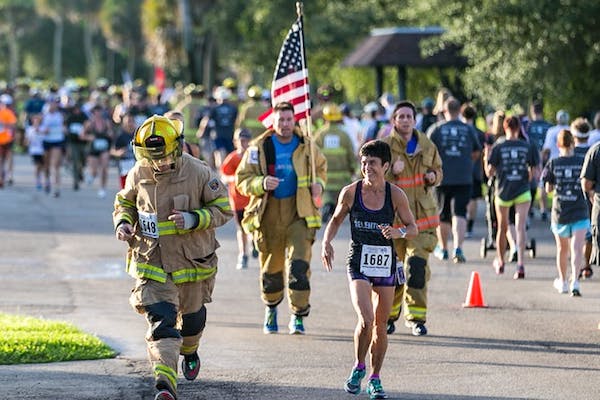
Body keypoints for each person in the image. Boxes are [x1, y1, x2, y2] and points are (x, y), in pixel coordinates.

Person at [113, 115, 232, 400]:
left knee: (192, 323)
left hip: (192, 264)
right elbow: (124, 202)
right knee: (161, 325)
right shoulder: (137, 173)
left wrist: (194, 219)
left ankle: (190, 351)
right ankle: (165, 385)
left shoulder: (199, 172)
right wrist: (123, 223)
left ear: (177, 148)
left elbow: (223, 209)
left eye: (164, 156)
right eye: (152, 157)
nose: (159, 162)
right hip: (152, 263)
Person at [321, 139, 417, 400]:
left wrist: (398, 231)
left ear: (385, 165)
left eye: (373, 163)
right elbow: (336, 219)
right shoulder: (351, 192)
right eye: (364, 163)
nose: (367, 168)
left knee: (381, 325)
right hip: (358, 260)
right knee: (366, 319)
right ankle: (358, 366)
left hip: (385, 261)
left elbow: (413, 228)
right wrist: (326, 242)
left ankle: (375, 378)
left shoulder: (395, 195)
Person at [235, 101, 327, 335]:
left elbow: (321, 168)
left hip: (299, 213)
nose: (285, 125)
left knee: (299, 266)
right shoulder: (259, 147)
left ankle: (298, 314)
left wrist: (319, 185)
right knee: (272, 269)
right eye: (280, 120)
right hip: (269, 214)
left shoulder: (307, 145)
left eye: (289, 120)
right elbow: (241, 180)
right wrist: (261, 183)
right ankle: (272, 309)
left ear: (294, 120)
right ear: (273, 122)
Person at [380, 101, 442, 336]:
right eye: (401, 116)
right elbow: (369, 176)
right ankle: (388, 317)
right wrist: (389, 172)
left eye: (409, 116)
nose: (405, 120)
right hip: (393, 223)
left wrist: (433, 176)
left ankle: (417, 318)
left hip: (422, 221)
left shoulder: (427, 145)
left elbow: (439, 170)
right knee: (393, 272)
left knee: (416, 267)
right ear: (394, 120)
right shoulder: (384, 147)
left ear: (414, 120)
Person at [427, 97, 481, 263]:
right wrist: (466, 163)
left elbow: (427, 153)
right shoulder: (468, 129)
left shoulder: (436, 129)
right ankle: (458, 248)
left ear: (444, 110)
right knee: (459, 213)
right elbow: (477, 151)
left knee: (442, 214)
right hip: (464, 177)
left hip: (442, 177)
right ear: (459, 111)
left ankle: (443, 249)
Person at [484, 116, 538, 279]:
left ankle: (501, 261)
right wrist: (524, 179)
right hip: (522, 190)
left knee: (503, 227)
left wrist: (486, 155)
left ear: (505, 128)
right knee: (521, 228)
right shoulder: (526, 145)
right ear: (518, 128)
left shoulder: (499, 146)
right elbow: (532, 171)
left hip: (503, 191)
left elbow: (489, 172)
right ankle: (520, 265)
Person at [543, 130, 589, 296]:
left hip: (560, 212)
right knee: (577, 248)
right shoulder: (582, 161)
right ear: (573, 143)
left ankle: (562, 281)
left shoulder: (553, 163)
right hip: (580, 210)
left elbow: (548, 188)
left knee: (562, 249)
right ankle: (575, 282)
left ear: (558, 145)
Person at [314, 103, 357, 223]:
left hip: (325, 176)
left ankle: (327, 206)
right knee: (341, 198)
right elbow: (350, 154)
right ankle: (336, 210)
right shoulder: (344, 135)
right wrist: (353, 168)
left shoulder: (319, 135)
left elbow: (313, 154)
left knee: (327, 196)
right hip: (342, 177)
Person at [220, 128, 254, 270]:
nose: (243, 143)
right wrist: (234, 178)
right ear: (235, 142)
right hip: (238, 200)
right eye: (240, 140)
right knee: (241, 229)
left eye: (246, 140)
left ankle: (254, 244)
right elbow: (223, 176)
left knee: (254, 226)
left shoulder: (254, 157)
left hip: (253, 198)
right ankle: (243, 255)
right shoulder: (232, 158)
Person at [461, 103, 486, 238]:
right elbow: (482, 153)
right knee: (473, 198)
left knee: (460, 199)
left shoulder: (460, 130)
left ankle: (461, 221)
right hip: (475, 169)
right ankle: (469, 226)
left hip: (460, 170)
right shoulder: (480, 134)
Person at [526, 101, 553, 220]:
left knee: (531, 183)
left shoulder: (528, 126)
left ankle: (530, 208)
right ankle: (543, 210)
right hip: (545, 156)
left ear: (532, 111)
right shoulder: (549, 126)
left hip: (533, 157)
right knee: (543, 183)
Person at [83, 105, 114, 198]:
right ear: (93, 113)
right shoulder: (89, 123)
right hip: (93, 149)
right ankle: (92, 176)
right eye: (96, 112)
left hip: (104, 148)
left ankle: (102, 188)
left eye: (100, 111)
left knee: (104, 168)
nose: (98, 114)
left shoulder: (106, 123)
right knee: (94, 171)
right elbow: (82, 135)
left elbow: (111, 134)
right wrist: (89, 137)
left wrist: (110, 134)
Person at [40, 98, 66, 197]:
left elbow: (64, 126)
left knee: (55, 165)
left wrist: (64, 129)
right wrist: (43, 130)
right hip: (47, 140)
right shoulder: (44, 115)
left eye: (54, 104)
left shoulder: (60, 116)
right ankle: (47, 181)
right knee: (46, 164)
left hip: (57, 140)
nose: (53, 106)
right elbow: (38, 126)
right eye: (51, 104)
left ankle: (57, 188)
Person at [64, 102, 89, 190]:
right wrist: (66, 132)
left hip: (82, 142)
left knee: (83, 160)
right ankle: (75, 182)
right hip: (73, 142)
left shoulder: (83, 116)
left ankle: (80, 172)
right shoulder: (70, 117)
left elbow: (88, 124)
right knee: (75, 161)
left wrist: (84, 130)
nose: (77, 111)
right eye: (75, 109)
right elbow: (65, 126)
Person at [111, 112, 137, 189]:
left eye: (131, 121)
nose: (130, 124)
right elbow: (112, 150)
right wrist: (118, 153)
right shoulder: (120, 135)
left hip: (136, 164)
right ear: (123, 123)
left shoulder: (138, 134)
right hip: (124, 165)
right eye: (128, 121)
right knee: (125, 189)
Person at [24, 113, 46, 190]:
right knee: (37, 166)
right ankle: (38, 181)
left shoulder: (43, 128)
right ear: (32, 121)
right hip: (34, 151)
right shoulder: (29, 129)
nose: (36, 121)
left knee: (43, 166)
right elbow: (26, 141)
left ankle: (43, 179)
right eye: (35, 120)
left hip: (43, 150)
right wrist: (27, 143)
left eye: (38, 120)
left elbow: (46, 138)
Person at [0, 94, 17, 188]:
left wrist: (4, 124)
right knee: (1, 160)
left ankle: (9, 176)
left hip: (8, 139)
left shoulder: (9, 113)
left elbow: (13, 125)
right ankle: (2, 178)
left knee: (8, 158)